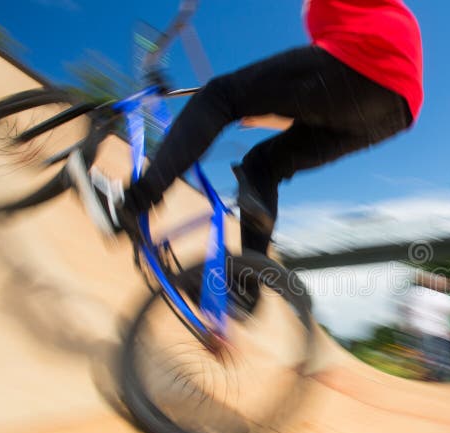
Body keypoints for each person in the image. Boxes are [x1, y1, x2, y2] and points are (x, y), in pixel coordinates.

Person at [78, 0, 423, 259]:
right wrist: (269, 113)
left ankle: (130, 206)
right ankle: (246, 287)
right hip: (393, 109)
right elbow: (326, 103)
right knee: (263, 166)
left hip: (364, 59)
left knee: (219, 96)